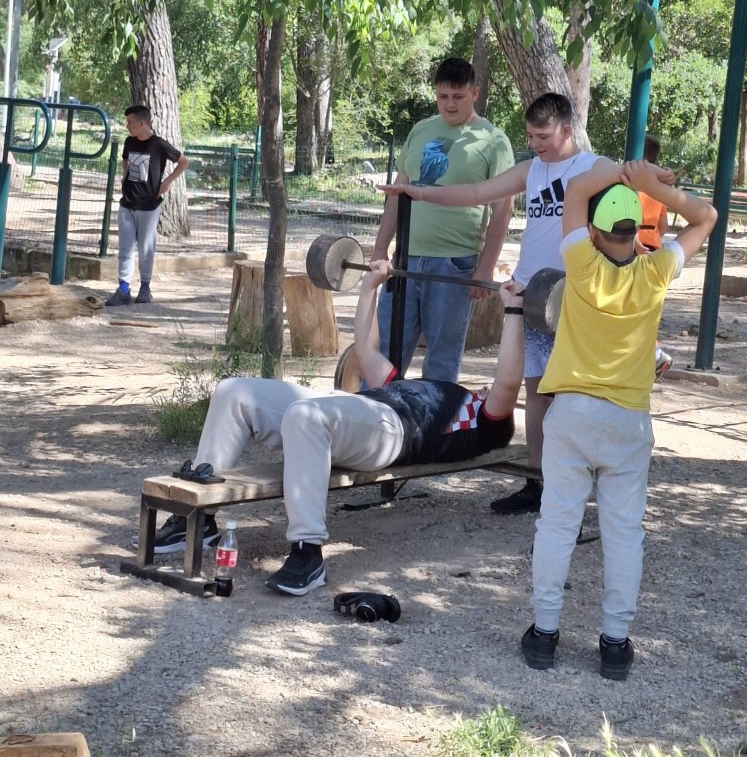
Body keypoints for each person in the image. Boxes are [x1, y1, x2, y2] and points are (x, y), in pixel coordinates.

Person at [147, 261, 525, 597]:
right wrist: (370, 287)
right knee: (235, 392)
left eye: (490, 391)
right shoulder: (420, 389)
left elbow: (508, 381)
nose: (486, 388)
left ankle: (307, 553)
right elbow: (366, 350)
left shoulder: (482, 420)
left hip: (390, 434)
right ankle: (198, 518)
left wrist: (512, 309)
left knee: (305, 415)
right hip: (355, 410)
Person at [520, 160, 716, 680]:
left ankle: (544, 634)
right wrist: (654, 187)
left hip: (572, 413)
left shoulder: (580, 260)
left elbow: (576, 188)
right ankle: (614, 643)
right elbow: (707, 217)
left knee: (557, 524)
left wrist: (626, 171)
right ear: (636, 233)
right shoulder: (656, 271)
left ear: (595, 230)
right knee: (624, 533)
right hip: (628, 418)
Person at [382, 92, 609, 515]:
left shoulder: (594, 167)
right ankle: (537, 482)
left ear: (566, 130)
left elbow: (630, 189)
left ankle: (580, 484)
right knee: (536, 392)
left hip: (575, 297)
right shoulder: (531, 169)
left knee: (576, 395)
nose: (535, 144)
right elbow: (476, 192)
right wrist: (419, 193)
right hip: (531, 296)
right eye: (530, 136)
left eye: (542, 136)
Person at [370, 57, 514, 383]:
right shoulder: (420, 130)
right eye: (442, 96)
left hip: (454, 265)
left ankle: (435, 417)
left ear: (475, 93)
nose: (449, 104)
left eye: (458, 97)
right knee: (383, 355)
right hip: (404, 261)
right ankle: (374, 413)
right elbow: (397, 194)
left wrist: (485, 268)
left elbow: (502, 210)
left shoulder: (493, 141)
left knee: (441, 363)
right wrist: (380, 249)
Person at [105, 104, 188, 306]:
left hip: (149, 205)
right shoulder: (129, 142)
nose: (127, 127)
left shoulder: (159, 145)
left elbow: (183, 162)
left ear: (142, 123)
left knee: (146, 248)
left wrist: (167, 182)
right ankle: (123, 289)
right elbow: (125, 160)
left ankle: (145, 287)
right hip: (127, 203)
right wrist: (125, 175)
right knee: (125, 248)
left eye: (130, 123)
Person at [635, 134, 672, 377]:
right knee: (649, 304)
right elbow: (664, 226)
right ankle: (653, 352)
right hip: (654, 248)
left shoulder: (633, 184)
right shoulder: (658, 189)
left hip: (634, 246)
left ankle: (655, 353)